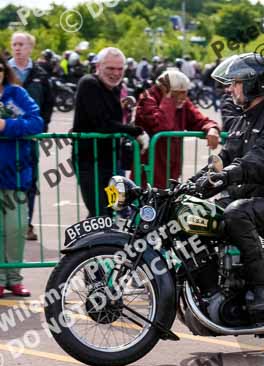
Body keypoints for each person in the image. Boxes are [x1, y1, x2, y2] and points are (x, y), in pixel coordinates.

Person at [193, 53, 264, 317]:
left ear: (255, 84)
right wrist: (191, 183)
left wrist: (227, 176)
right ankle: (216, 283)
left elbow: (259, 162)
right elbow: (223, 158)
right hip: (251, 194)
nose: (230, 88)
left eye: (236, 82)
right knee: (201, 213)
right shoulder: (244, 119)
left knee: (237, 213)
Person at [72, 47, 148, 217]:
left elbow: (115, 121)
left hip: (111, 160)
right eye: (110, 68)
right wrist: (135, 131)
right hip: (89, 161)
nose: (115, 73)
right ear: (98, 66)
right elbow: (102, 123)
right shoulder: (89, 83)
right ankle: (98, 235)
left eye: (120, 69)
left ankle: (105, 234)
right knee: (98, 211)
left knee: (108, 210)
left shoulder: (116, 88)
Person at [0, 54, 44, 298]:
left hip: (16, 174)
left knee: (16, 227)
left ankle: (15, 278)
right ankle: (0, 279)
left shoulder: (16, 94)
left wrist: (6, 126)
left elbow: (36, 122)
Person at [135, 69, 220, 189]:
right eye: (178, 92)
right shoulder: (147, 99)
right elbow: (163, 126)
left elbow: (198, 120)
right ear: (164, 89)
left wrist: (212, 128)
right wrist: (168, 99)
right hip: (148, 172)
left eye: (185, 92)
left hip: (170, 170)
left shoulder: (182, 101)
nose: (183, 97)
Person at [9, 32, 54, 242]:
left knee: (29, 181)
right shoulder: (4, 71)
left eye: (21, 44)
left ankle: (26, 223)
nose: (17, 48)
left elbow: (48, 103)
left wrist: (42, 127)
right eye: (14, 44)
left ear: (30, 48)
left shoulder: (40, 74)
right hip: (5, 138)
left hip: (30, 138)